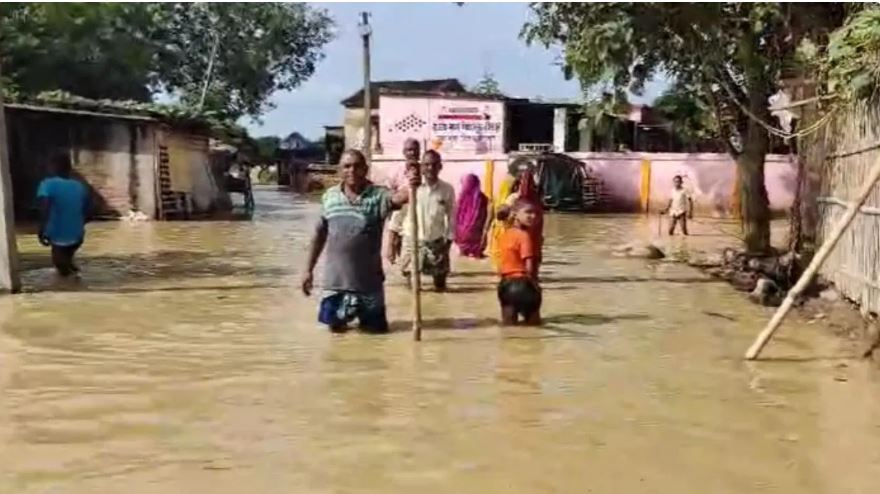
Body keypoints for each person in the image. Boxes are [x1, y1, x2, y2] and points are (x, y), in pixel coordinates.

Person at [301, 149, 419, 333]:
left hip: (369, 285)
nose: (352, 171)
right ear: (340, 170)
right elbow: (319, 234)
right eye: (347, 166)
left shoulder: (378, 196)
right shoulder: (330, 196)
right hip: (335, 284)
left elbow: (399, 197)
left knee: (376, 335)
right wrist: (308, 270)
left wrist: (412, 185)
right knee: (336, 339)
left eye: (357, 166)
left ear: (365, 169)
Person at [390, 150, 456, 291]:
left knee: (440, 285)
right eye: (426, 165)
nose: (430, 168)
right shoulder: (411, 188)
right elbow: (397, 216)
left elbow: (452, 217)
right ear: (421, 167)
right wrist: (391, 243)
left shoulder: (447, 189)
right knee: (413, 286)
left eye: (434, 165)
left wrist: (448, 242)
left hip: (436, 241)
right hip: (412, 241)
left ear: (440, 167)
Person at [36, 153, 91, 277]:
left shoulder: (47, 184)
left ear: (52, 167)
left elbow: (45, 208)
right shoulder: (79, 186)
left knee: (60, 265)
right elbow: (88, 210)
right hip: (77, 234)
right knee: (68, 262)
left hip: (57, 232)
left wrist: (41, 229)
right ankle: (76, 278)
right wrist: (79, 225)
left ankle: (70, 285)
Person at [497, 199, 542, 326]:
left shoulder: (505, 234)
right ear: (515, 214)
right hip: (523, 284)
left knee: (508, 327)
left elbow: (501, 263)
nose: (533, 216)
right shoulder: (525, 236)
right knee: (534, 327)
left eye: (535, 213)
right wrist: (535, 287)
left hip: (505, 286)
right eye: (528, 212)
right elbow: (530, 266)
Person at [386, 138, 421, 264]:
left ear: (419, 151)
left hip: (419, 208)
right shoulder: (397, 170)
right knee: (396, 239)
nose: (412, 153)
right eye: (408, 150)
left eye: (414, 150)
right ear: (404, 152)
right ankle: (400, 263)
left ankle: (411, 265)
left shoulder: (425, 169)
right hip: (401, 209)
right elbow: (390, 190)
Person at [454, 173, 490, 258]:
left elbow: (456, 214)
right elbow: (485, 215)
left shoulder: (461, 196)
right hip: (476, 233)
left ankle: (464, 251)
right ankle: (475, 251)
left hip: (461, 233)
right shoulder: (482, 198)